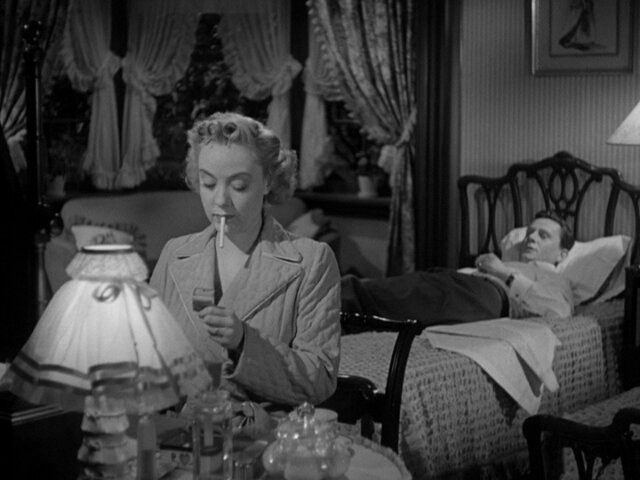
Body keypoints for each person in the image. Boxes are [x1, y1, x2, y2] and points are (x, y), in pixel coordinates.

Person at [150, 112, 341, 409]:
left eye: (238, 186)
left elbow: (319, 381)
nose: (220, 200)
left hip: (268, 434)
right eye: (208, 183)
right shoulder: (174, 254)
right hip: (185, 431)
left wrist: (244, 342)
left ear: (268, 182)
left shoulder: (312, 262)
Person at [341, 210, 575, 325]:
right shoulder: (512, 262)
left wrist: (503, 273)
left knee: (385, 295)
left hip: (487, 294)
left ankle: (332, 298)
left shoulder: (554, 276)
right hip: (461, 283)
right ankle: (337, 303)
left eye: (543, 235)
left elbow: (559, 310)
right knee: (402, 291)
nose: (531, 238)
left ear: (562, 254)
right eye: (530, 232)